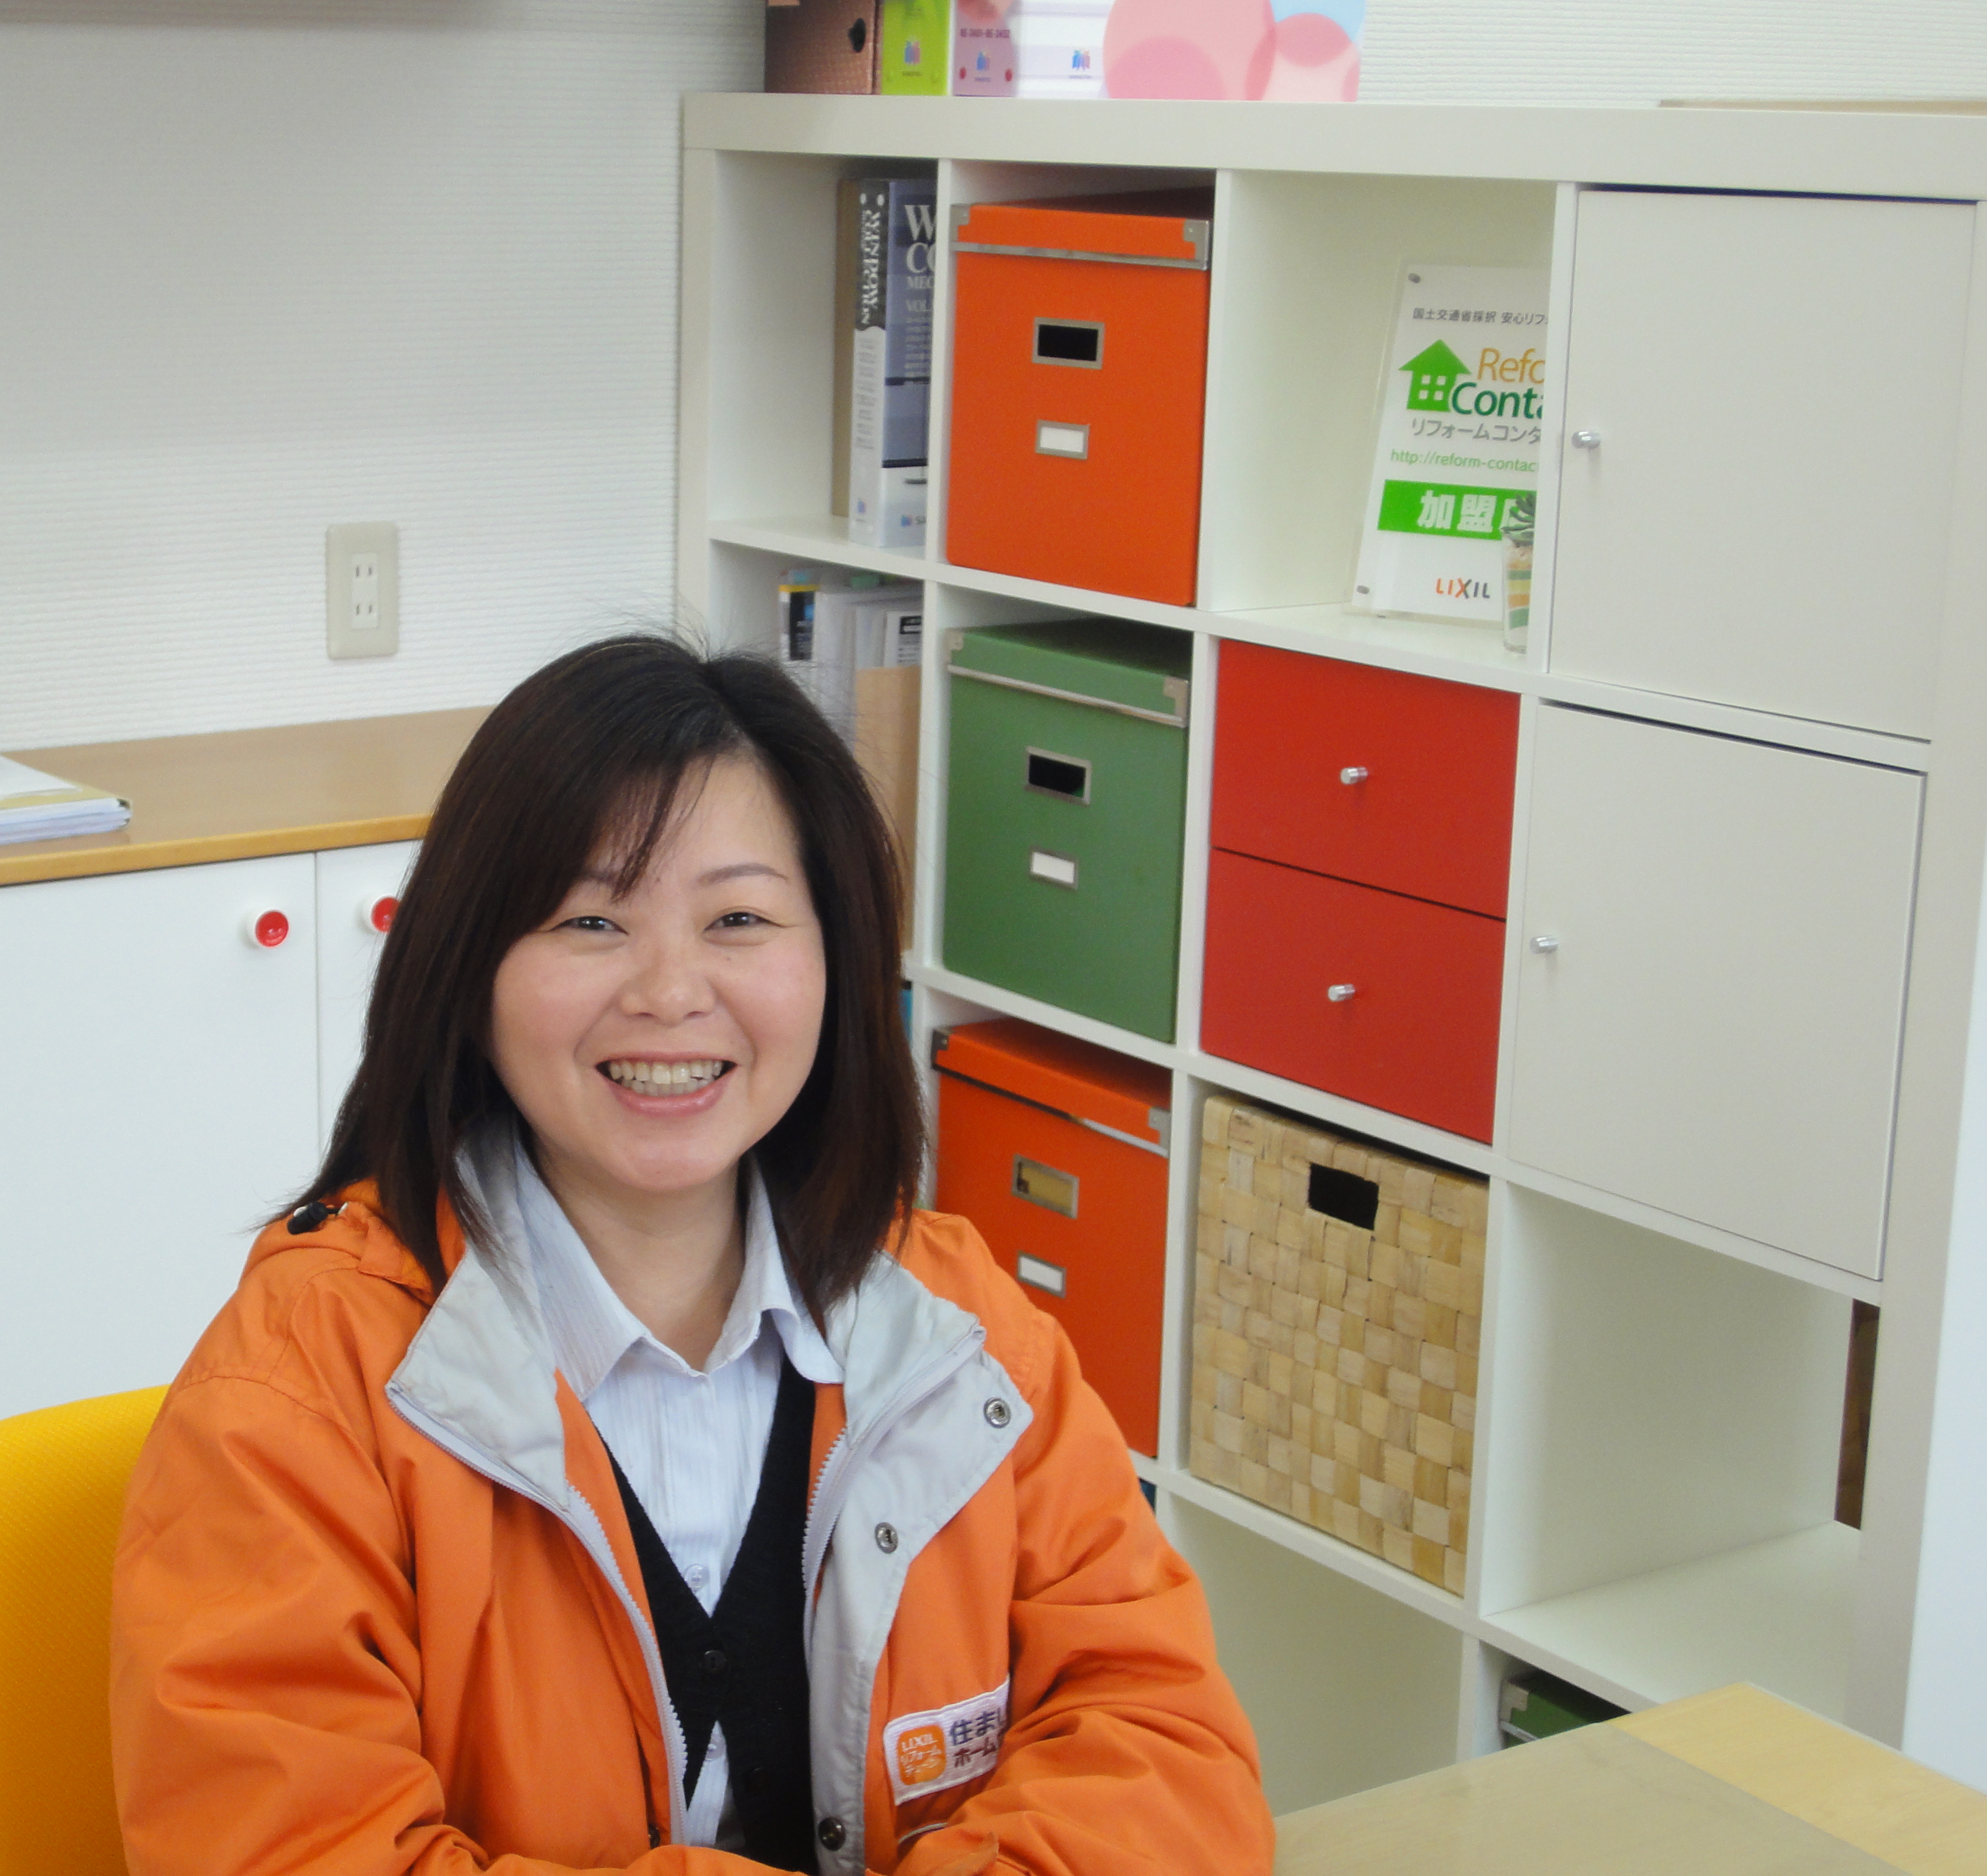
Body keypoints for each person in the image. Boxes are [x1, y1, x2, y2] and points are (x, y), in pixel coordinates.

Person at [109, 634, 1271, 1876]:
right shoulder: (298, 1388)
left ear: (834, 962)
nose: (669, 993)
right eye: (590, 919)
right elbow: (289, 1850)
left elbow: (1166, 1749)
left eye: (738, 919)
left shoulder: (959, 1333)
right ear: (468, 970)